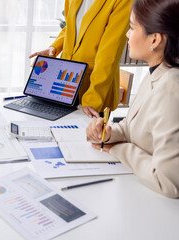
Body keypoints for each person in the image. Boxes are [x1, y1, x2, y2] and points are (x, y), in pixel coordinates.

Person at [86, 0, 179, 198]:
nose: (127, 34)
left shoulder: (172, 85)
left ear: (154, 40)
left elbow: (168, 182)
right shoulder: (157, 72)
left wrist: (119, 149)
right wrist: (107, 134)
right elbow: (132, 127)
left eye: (132, 28)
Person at [30, 0, 132, 118]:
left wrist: (92, 100)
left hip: (94, 89)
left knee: (84, 135)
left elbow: (109, 55)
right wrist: (54, 47)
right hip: (65, 84)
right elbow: (71, 27)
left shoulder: (123, 2)